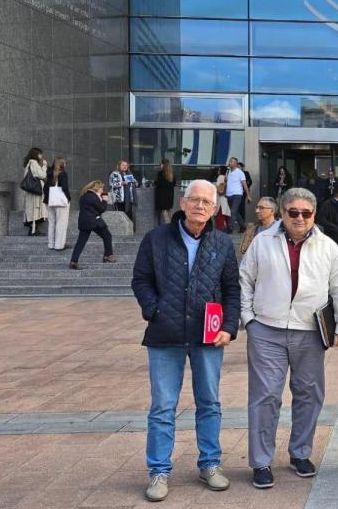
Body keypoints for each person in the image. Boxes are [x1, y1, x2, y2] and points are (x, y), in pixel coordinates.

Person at [130, 179, 240, 502]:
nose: (201, 206)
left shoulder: (222, 243)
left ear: (215, 207)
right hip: (166, 336)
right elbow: (141, 280)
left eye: (207, 202)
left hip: (208, 336)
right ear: (182, 202)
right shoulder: (156, 239)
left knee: (209, 403)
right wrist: (154, 309)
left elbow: (232, 289)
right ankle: (159, 471)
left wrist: (230, 327)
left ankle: (210, 464)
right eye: (195, 200)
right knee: (163, 406)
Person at [239, 187, 338, 489]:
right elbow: (245, 280)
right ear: (283, 213)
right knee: (265, 397)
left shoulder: (328, 246)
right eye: (293, 212)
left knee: (309, 395)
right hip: (266, 330)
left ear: (314, 214)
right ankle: (261, 461)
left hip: (310, 332)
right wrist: (248, 319)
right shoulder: (262, 242)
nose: (300, 218)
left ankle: (300, 453)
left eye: (306, 213)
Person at [69, 180, 115, 270]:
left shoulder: (84, 196)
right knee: (107, 235)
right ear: (97, 188)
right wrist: (105, 201)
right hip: (94, 221)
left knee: (81, 242)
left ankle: (73, 261)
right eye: (101, 188)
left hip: (84, 221)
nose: (102, 190)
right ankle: (108, 255)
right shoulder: (94, 197)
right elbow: (101, 208)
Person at [44, 157, 71, 250]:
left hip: (49, 201)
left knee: (51, 223)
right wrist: (68, 198)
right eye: (65, 163)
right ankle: (59, 245)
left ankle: (51, 244)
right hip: (61, 202)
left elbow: (45, 188)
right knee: (61, 223)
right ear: (62, 164)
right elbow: (64, 188)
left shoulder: (49, 173)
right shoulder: (63, 174)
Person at [21, 148, 47, 236]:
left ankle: (34, 229)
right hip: (35, 192)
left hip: (31, 191)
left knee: (33, 209)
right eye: (40, 154)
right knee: (35, 209)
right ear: (36, 154)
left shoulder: (29, 163)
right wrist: (44, 166)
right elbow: (42, 175)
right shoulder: (34, 163)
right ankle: (33, 230)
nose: (41, 156)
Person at [224, 157, 251, 233]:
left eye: (232, 162)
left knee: (233, 211)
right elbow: (227, 183)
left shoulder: (240, 173)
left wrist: (248, 195)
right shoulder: (228, 172)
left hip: (237, 194)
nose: (230, 163)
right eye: (230, 161)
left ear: (236, 164)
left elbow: (244, 185)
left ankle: (230, 228)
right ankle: (243, 226)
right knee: (235, 212)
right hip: (228, 195)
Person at [109, 160, 139, 226]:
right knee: (120, 214)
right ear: (119, 166)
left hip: (128, 198)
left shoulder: (129, 174)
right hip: (119, 198)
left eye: (126, 165)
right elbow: (111, 184)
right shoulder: (114, 174)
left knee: (129, 213)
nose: (125, 166)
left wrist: (135, 183)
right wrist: (121, 183)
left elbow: (133, 185)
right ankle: (120, 228)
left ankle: (130, 228)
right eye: (123, 165)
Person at [154, 158, 176, 226]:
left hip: (162, 197)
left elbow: (159, 183)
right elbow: (174, 183)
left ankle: (168, 227)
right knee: (169, 212)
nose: (160, 165)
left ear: (163, 164)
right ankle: (172, 225)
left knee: (164, 213)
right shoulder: (172, 174)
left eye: (161, 164)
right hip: (169, 196)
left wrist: (154, 182)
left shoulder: (161, 173)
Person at [214, 166, 232, 232]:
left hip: (220, 198)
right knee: (226, 213)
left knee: (220, 214)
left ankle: (220, 229)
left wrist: (214, 186)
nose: (218, 171)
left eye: (219, 170)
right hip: (224, 197)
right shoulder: (225, 177)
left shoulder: (220, 177)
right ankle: (229, 227)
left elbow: (219, 188)